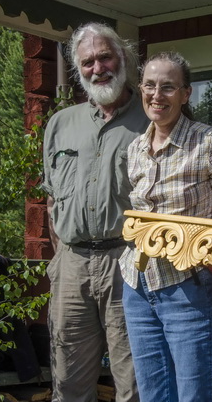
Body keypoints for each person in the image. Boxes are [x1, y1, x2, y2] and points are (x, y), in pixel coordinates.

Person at [119, 51, 212, 402]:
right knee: (153, 396)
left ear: (186, 94)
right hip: (136, 286)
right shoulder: (135, 148)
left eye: (168, 87)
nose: (156, 95)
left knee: (194, 396)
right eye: (149, 85)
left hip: (188, 288)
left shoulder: (207, 140)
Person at [42, 22, 148, 402]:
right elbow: (52, 200)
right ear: (78, 69)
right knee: (68, 383)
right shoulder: (60, 124)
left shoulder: (151, 121)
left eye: (105, 57)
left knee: (133, 382)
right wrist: (61, 261)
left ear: (123, 58)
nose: (98, 68)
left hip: (129, 262)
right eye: (88, 62)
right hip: (72, 265)